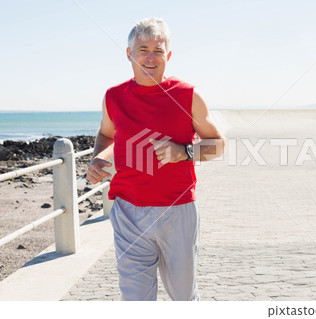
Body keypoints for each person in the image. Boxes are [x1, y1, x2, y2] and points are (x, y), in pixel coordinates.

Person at [86, 17, 225, 301]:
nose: (151, 57)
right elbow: (106, 134)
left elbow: (218, 144)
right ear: (129, 54)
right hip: (127, 212)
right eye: (143, 49)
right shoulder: (113, 97)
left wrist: (183, 152)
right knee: (135, 300)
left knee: (184, 298)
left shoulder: (188, 95)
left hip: (177, 210)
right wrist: (98, 157)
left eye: (158, 50)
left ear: (168, 55)